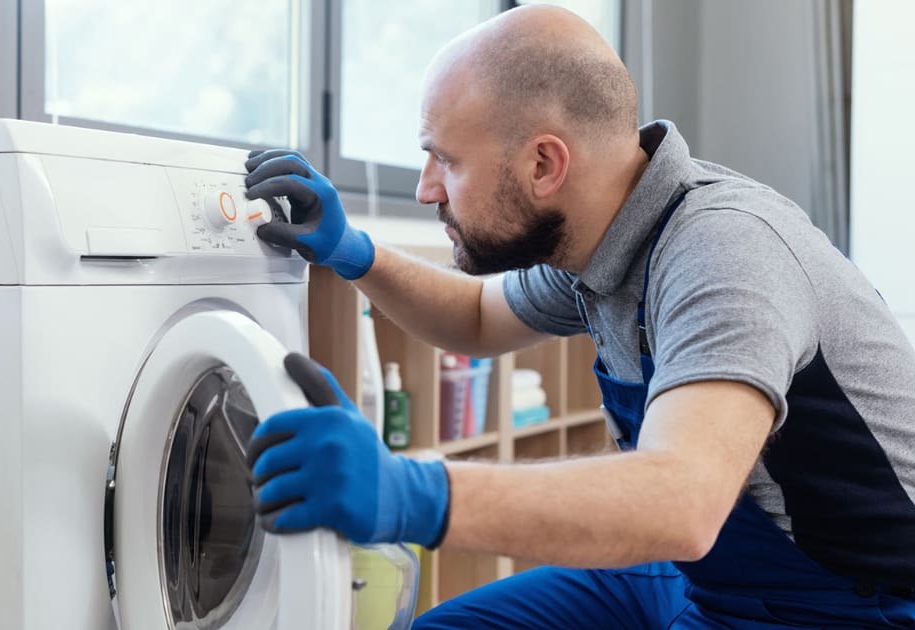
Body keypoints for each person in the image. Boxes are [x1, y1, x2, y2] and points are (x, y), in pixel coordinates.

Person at [241, 5, 915, 628]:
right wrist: (355, 254)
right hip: (692, 574)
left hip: (842, 603)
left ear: (544, 164)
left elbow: (682, 500)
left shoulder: (724, 251)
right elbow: (477, 316)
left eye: (446, 160)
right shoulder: (604, 235)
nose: (424, 189)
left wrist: (408, 492)